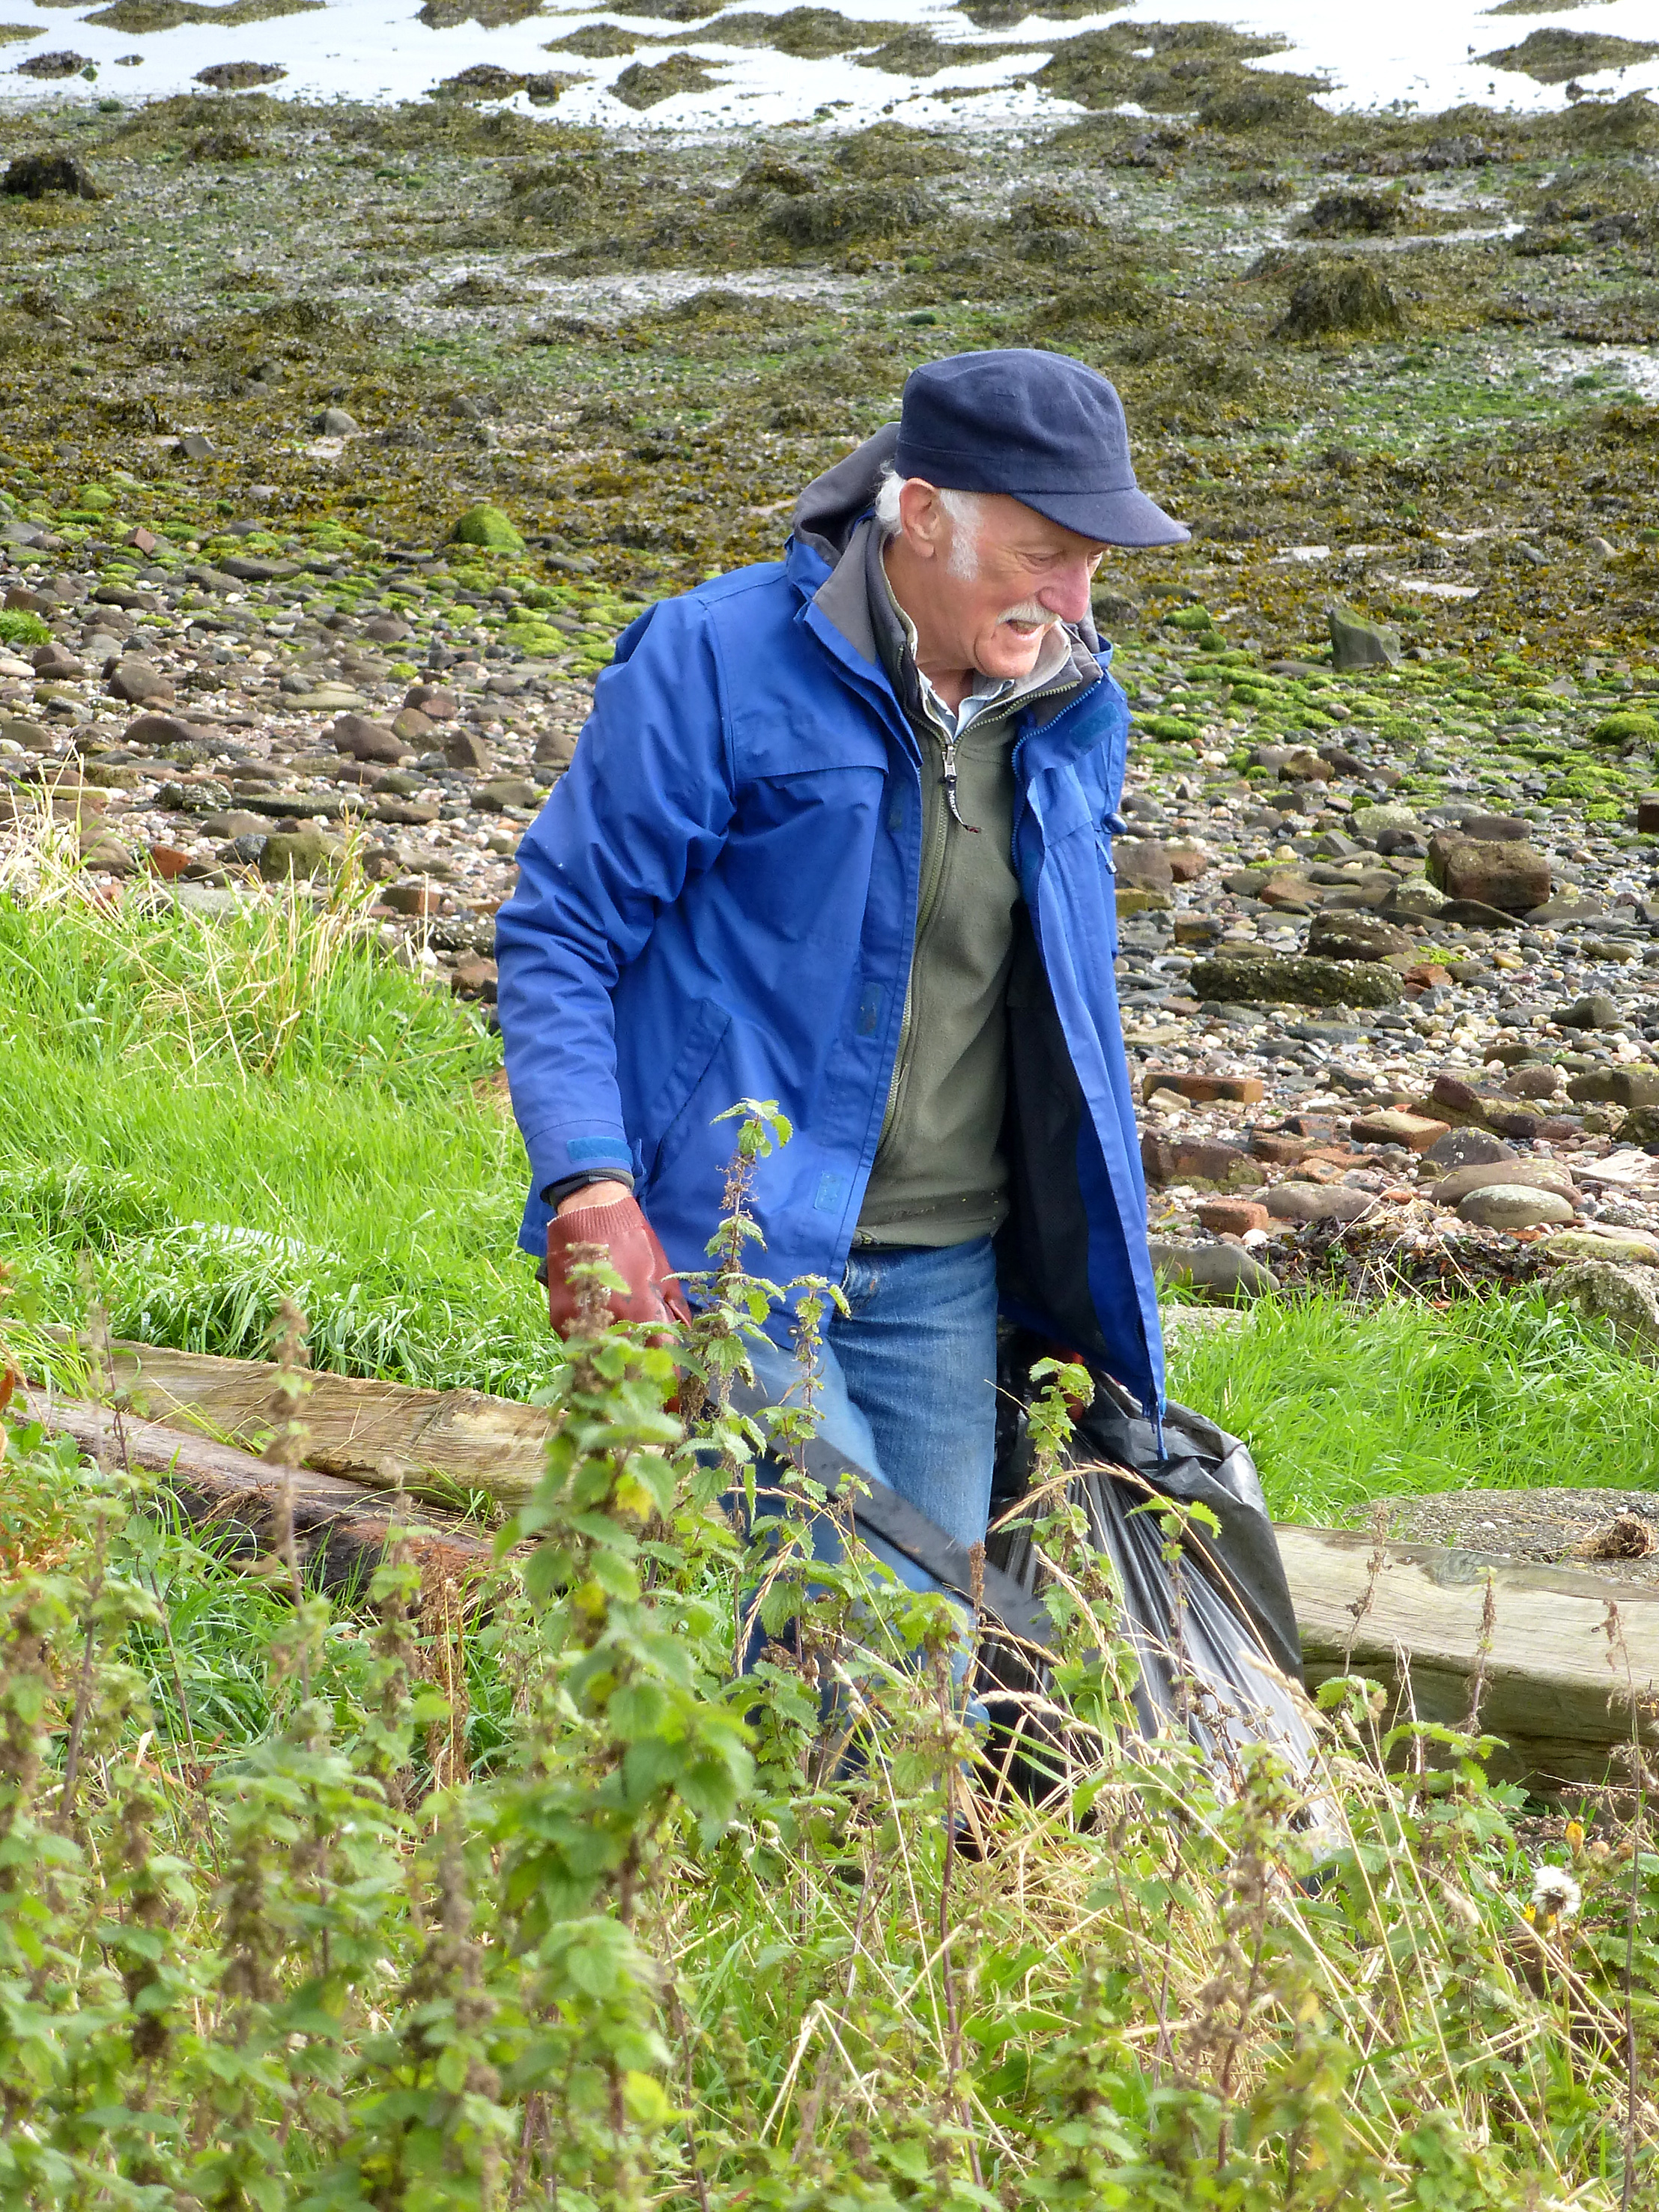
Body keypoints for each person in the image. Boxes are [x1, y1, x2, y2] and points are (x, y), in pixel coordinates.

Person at [495, 347, 1188, 1575]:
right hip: (732, 1253)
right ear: (921, 514)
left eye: (1094, 563)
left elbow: (1060, 1012)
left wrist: (1073, 1286)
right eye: (1044, 555)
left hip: (948, 1271)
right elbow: (562, 927)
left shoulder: (1078, 708)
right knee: (851, 1622)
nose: (1077, 600)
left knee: (932, 1662)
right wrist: (590, 1191)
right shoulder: (711, 661)